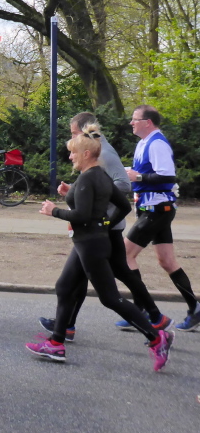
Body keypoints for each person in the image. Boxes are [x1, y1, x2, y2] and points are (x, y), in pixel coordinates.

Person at [27, 123, 174, 371]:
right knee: (64, 287)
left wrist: (55, 211)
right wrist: (104, 224)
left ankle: (156, 337)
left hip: (90, 245)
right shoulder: (100, 175)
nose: (70, 156)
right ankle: (56, 343)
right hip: (88, 242)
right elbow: (123, 207)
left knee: (110, 298)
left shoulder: (88, 178)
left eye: (73, 152)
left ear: (86, 154)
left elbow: (82, 215)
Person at [124, 105, 200, 332]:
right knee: (167, 261)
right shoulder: (143, 143)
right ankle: (195, 308)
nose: (131, 123)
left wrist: (138, 176)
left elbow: (167, 176)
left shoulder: (157, 144)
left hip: (157, 208)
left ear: (148, 122)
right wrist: (132, 175)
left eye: (135, 119)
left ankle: (142, 310)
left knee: (125, 255)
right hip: (153, 207)